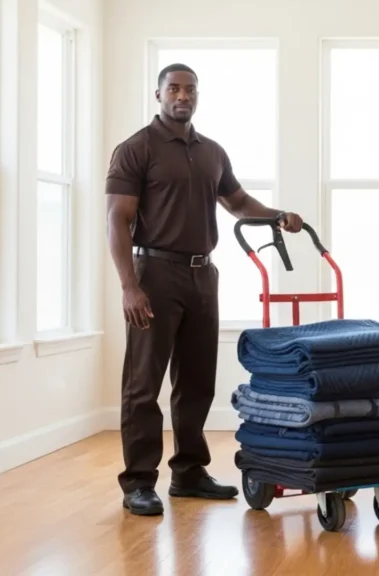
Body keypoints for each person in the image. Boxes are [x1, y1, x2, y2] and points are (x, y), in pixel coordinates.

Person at [105, 63, 305, 516]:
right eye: (173, 88)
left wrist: (276, 215)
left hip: (203, 276)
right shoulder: (137, 148)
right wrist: (129, 287)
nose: (182, 96)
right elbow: (117, 219)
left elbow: (237, 203)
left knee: (197, 381)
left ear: (198, 96)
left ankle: (189, 472)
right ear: (157, 94)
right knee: (143, 385)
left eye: (190, 89)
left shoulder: (212, 152)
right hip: (153, 274)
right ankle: (138, 482)